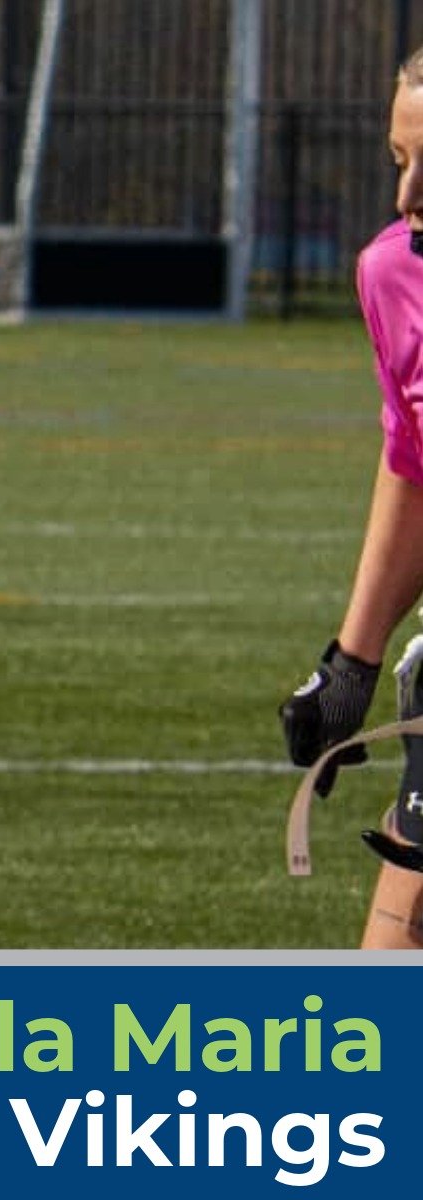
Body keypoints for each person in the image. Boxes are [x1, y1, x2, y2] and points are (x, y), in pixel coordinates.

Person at [279, 46, 423, 951]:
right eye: (400, 161)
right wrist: (352, 667)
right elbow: (414, 462)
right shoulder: (396, 272)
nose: (407, 200)